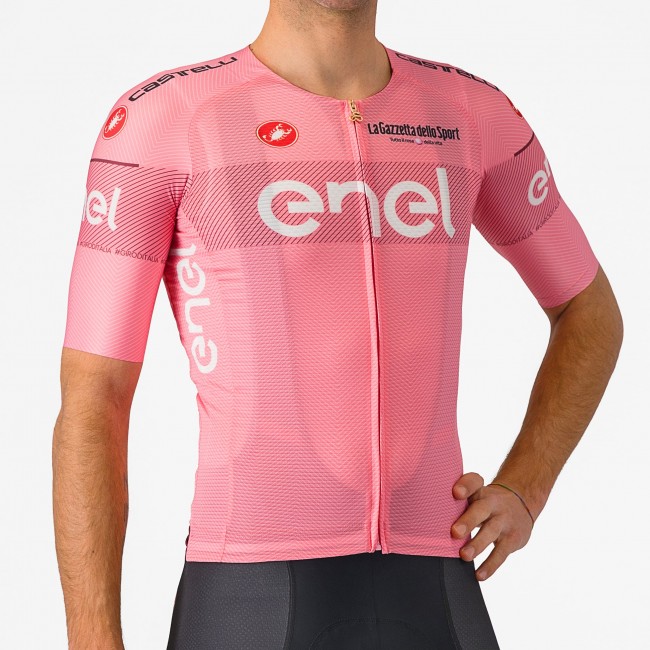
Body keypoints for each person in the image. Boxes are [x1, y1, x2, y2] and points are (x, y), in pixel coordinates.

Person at [52, 0, 624, 648]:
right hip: (250, 591)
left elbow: (588, 311)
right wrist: (92, 640)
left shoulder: (469, 114)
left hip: (435, 577)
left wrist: (526, 487)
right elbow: (95, 394)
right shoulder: (166, 120)